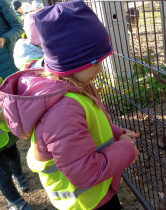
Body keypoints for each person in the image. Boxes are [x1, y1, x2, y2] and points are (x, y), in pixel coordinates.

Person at [0, 0, 140, 209]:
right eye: (96, 62)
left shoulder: (71, 91)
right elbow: (86, 172)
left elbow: (86, 129)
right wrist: (126, 149)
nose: (101, 69)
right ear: (73, 62)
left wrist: (116, 132)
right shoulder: (63, 110)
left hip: (95, 194)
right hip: (86, 202)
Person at [0, 1, 32, 210]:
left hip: (6, 76)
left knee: (9, 139)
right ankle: (16, 202)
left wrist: (4, 39)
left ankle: (19, 173)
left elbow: (18, 27)